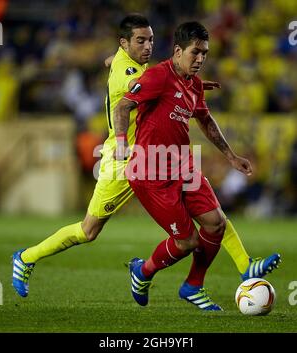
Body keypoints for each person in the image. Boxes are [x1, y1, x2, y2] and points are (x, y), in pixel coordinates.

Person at [12, 15, 280, 299]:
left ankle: (244, 266)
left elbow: (125, 65)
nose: (148, 46)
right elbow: (156, 81)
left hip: (157, 159)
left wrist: (190, 80)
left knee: (210, 214)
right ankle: (26, 257)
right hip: (124, 160)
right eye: (140, 40)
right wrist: (189, 81)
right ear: (124, 43)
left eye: (150, 39)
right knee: (88, 231)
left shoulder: (124, 61)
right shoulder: (135, 75)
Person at [113, 21, 280, 310]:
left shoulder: (194, 85)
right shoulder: (158, 77)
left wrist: (230, 156)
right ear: (178, 51)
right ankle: (142, 272)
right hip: (152, 173)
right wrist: (119, 141)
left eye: (205, 53)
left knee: (216, 224)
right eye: (195, 52)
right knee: (187, 240)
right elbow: (122, 106)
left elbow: (204, 119)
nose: (201, 59)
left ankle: (193, 285)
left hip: (183, 167)